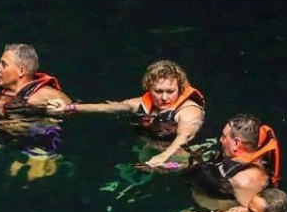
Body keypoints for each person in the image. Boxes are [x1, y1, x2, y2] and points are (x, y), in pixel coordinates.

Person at [47, 59, 205, 167]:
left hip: (181, 156)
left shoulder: (188, 111)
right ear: (148, 88)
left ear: (180, 89)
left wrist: (163, 156)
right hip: (150, 150)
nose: (164, 97)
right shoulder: (139, 104)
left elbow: (184, 136)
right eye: (158, 91)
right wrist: (69, 108)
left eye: (170, 91)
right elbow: (106, 108)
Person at [180, 115, 280, 210]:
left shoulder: (245, 181)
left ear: (236, 143)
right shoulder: (231, 156)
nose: (220, 140)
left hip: (217, 208)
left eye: (224, 136)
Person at [0, 43, 70, 121]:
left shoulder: (44, 94)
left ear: (21, 71)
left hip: (31, 142)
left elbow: (74, 108)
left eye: (4, 65)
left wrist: (65, 108)